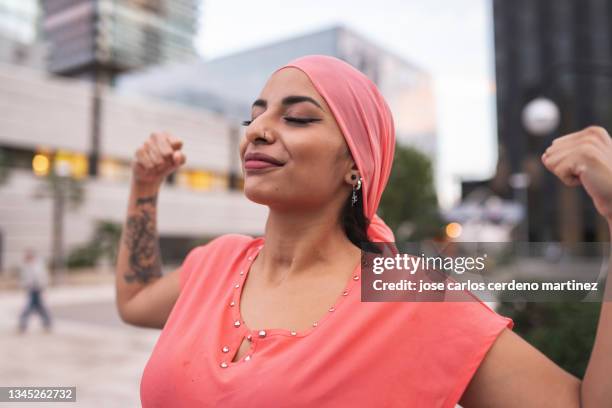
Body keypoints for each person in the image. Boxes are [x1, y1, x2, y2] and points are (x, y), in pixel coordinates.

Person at [115, 55, 612, 407]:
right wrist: (144, 186)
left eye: (297, 117)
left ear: (356, 165)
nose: (258, 129)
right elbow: (136, 301)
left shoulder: (410, 296)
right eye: (256, 113)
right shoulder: (217, 261)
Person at [18, 248, 52, 333]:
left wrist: (43, 287)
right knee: (39, 308)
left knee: (30, 308)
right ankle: (47, 323)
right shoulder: (27, 266)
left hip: (37, 289)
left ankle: (23, 324)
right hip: (32, 289)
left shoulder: (37, 266)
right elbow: (25, 279)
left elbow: (42, 278)